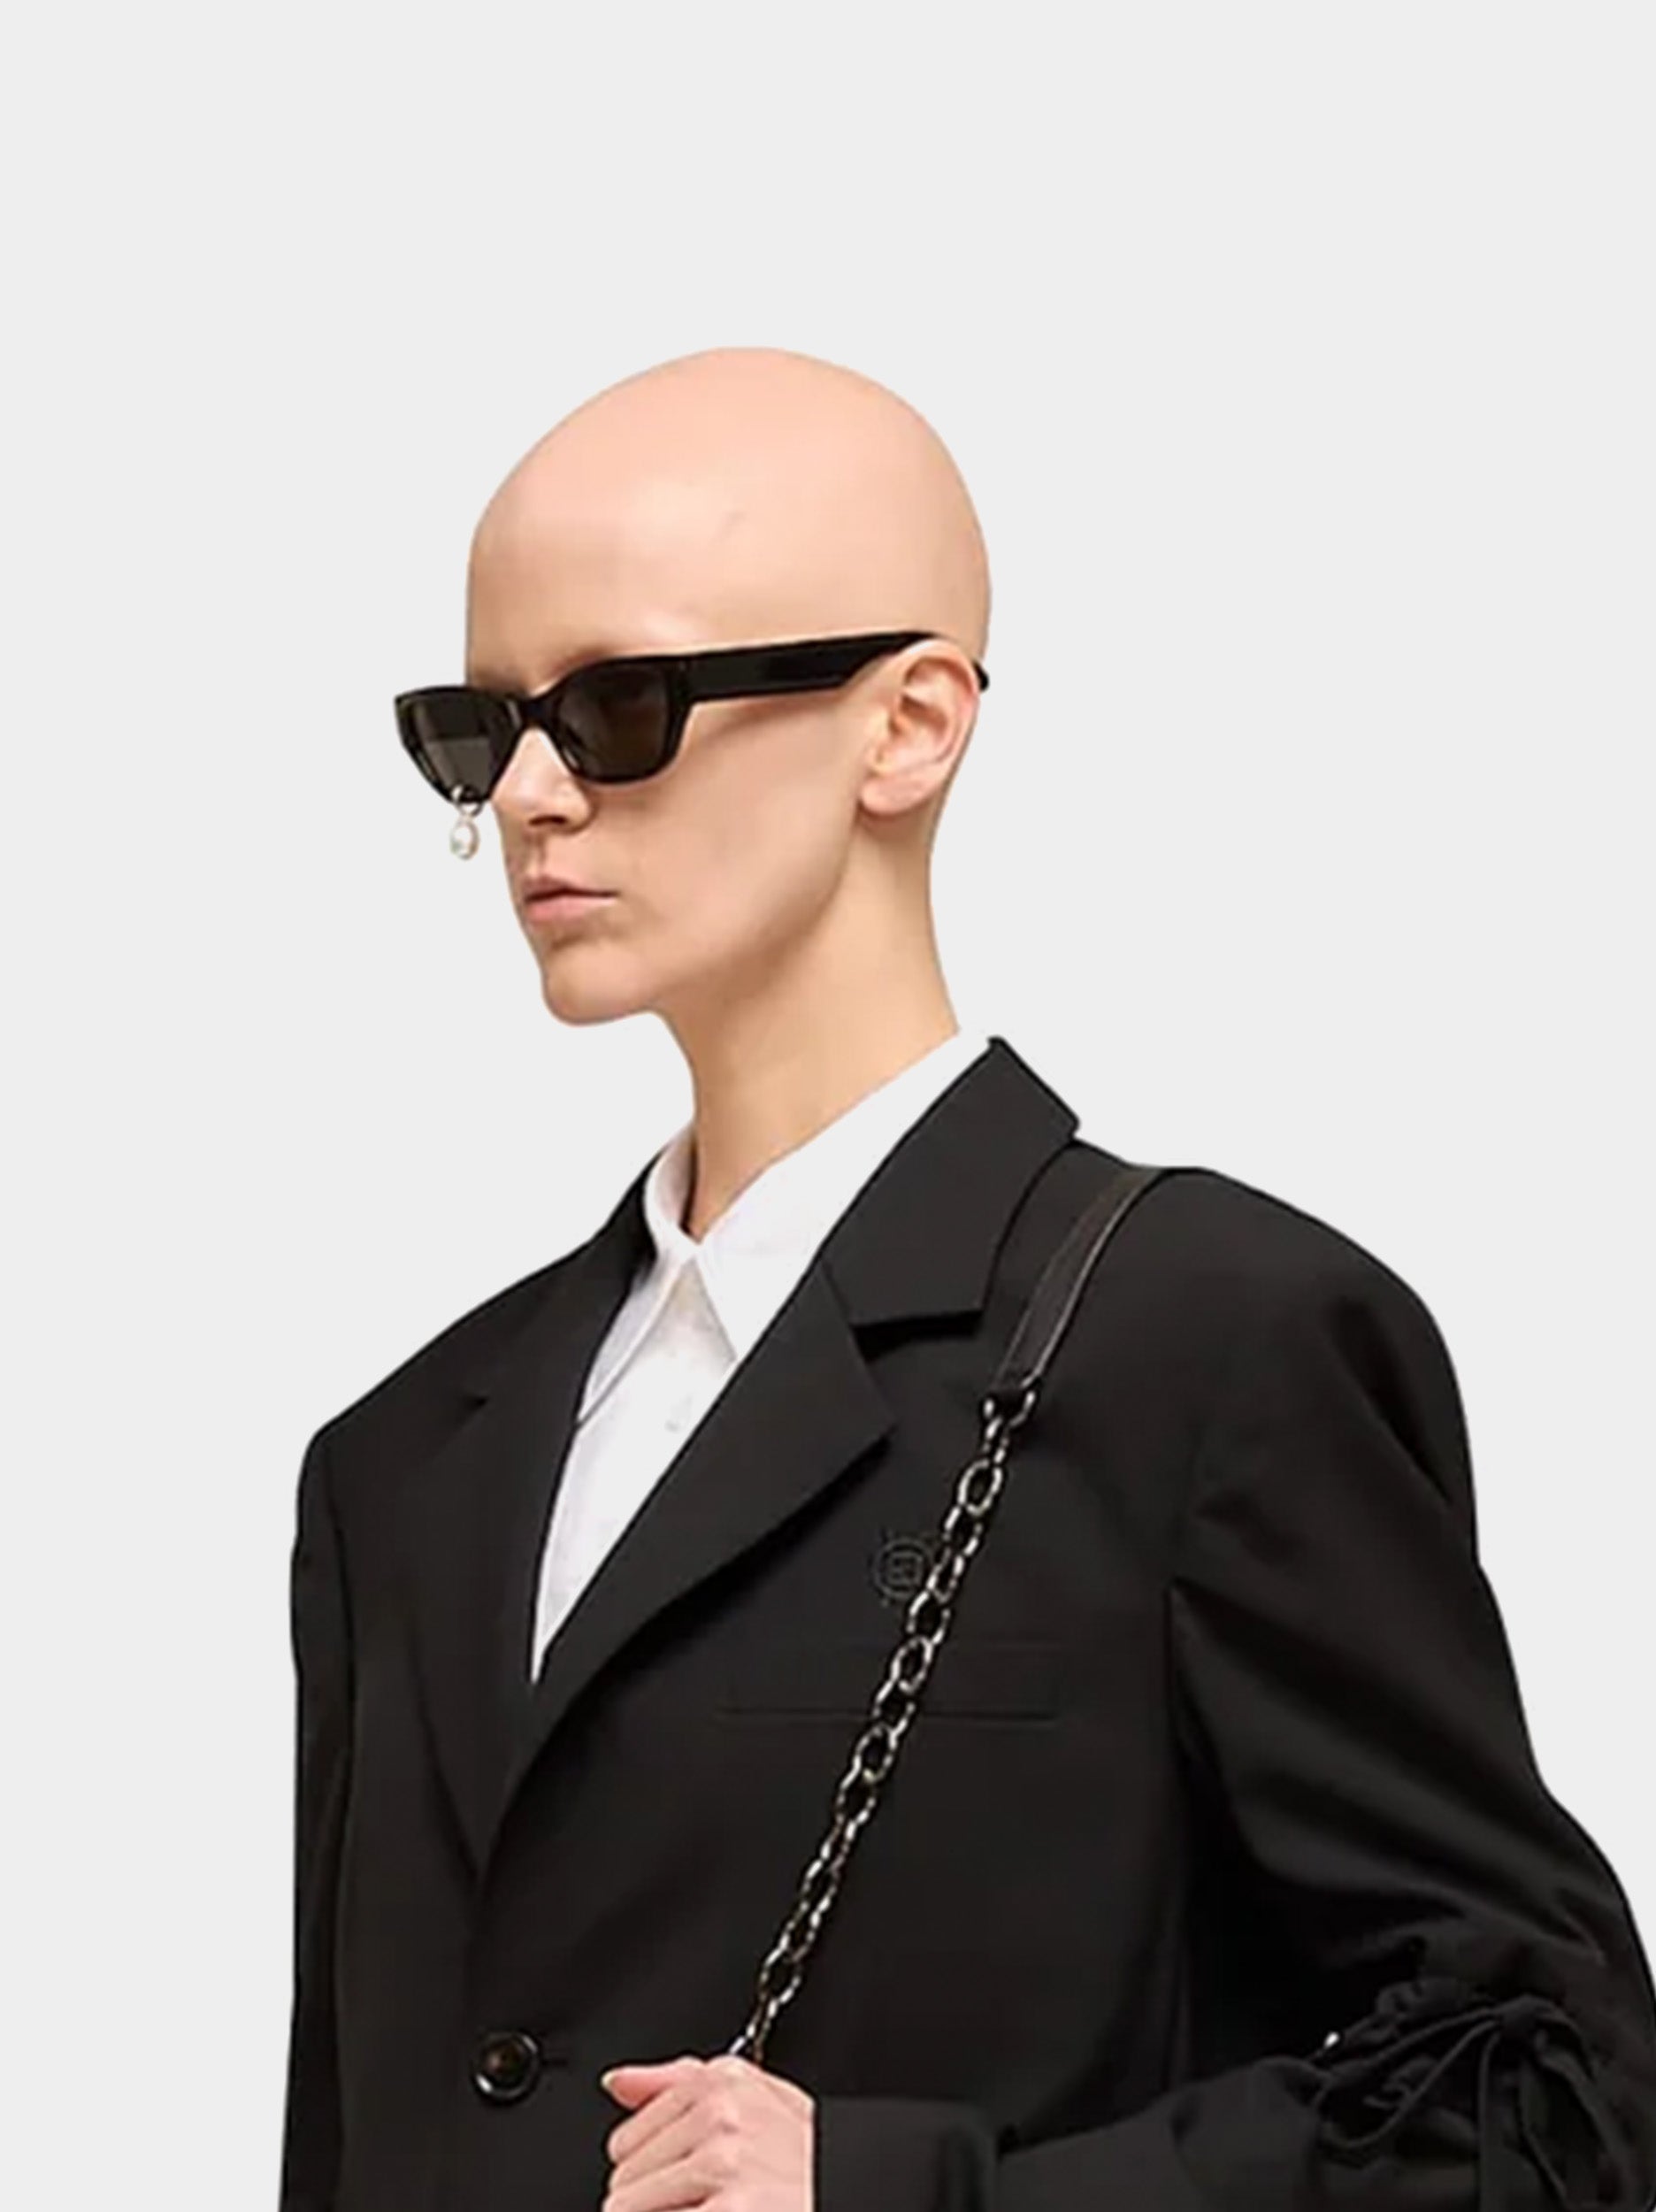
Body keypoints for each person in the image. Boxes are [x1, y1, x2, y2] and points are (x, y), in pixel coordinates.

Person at [280, 346, 1656, 2212]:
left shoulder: (1207, 1344)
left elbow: (1553, 2102)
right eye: (478, 726)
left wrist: (905, 2189)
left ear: (910, 723)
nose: (528, 792)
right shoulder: (401, 1462)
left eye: (615, 708)